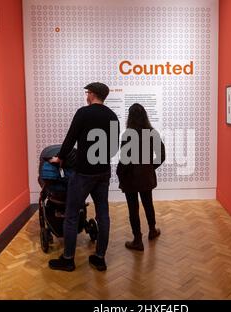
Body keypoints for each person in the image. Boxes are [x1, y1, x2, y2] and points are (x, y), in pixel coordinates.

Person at [48, 82, 119, 272]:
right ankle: (100, 257)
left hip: (84, 173)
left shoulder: (83, 113)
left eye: (87, 93)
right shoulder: (112, 116)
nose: (86, 96)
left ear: (93, 94)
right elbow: (114, 147)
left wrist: (60, 157)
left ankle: (68, 259)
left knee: (71, 215)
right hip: (103, 172)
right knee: (103, 215)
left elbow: (70, 138)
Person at [116, 103, 165, 251]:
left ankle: (137, 240)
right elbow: (162, 156)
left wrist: (120, 174)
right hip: (145, 177)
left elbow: (124, 160)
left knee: (133, 208)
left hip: (130, 178)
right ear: (145, 115)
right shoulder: (152, 132)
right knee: (148, 203)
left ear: (130, 117)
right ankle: (152, 230)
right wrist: (150, 167)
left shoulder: (128, 135)